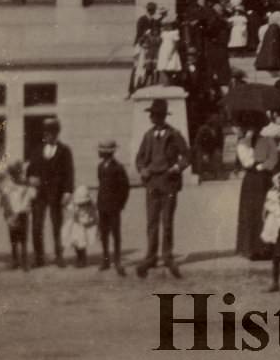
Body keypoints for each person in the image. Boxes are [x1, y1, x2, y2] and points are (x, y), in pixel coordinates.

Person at [134, 99, 190, 278]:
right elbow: (140, 158)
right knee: (151, 222)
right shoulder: (148, 135)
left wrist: (177, 167)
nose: (152, 117)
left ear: (162, 117)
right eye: (151, 115)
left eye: (155, 115)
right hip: (152, 182)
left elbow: (187, 156)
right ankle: (150, 256)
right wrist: (142, 169)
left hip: (169, 181)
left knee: (167, 222)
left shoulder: (174, 134)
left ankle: (167, 255)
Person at [26, 116, 74, 268]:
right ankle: (39, 257)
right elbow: (30, 170)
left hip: (57, 193)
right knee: (37, 225)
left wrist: (67, 192)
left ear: (57, 133)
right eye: (45, 132)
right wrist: (30, 179)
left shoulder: (64, 150)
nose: (47, 135)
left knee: (57, 225)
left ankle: (59, 256)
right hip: (39, 194)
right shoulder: (36, 150)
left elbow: (69, 172)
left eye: (51, 132)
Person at [236, 119, 280, 260]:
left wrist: (262, 166)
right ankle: (251, 248)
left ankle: (266, 248)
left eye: (256, 126)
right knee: (251, 212)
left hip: (264, 179)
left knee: (266, 210)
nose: (254, 129)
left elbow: (273, 158)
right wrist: (248, 140)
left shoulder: (268, 141)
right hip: (251, 180)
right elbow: (246, 161)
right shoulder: (243, 143)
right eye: (251, 127)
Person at [95, 139, 129, 275]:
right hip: (102, 205)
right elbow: (101, 184)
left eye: (101, 151)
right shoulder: (100, 166)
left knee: (116, 233)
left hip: (114, 206)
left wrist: (120, 204)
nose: (99, 152)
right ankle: (105, 259)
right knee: (104, 233)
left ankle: (117, 260)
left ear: (107, 153)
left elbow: (124, 188)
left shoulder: (118, 168)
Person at [0, 160, 35, 272]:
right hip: (11, 214)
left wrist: (19, 212)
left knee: (23, 238)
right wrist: (9, 212)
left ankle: (24, 262)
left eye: (18, 173)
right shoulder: (8, 186)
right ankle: (15, 260)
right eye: (14, 174)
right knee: (13, 238)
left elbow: (30, 198)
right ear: (11, 175)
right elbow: (4, 200)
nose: (16, 176)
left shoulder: (26, 186)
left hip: (22, 214)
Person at [62, 185, 98, 268]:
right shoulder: (75, 206)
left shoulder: (91, 206)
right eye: (80, 203)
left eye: (84, 203)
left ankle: (82, 259)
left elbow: (94, 214)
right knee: (76, 243)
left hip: (85, 226)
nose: (82, 205)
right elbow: (68, 208)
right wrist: (66, 204)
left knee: (82, 244)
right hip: (76, 226)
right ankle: (80, 258)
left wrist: (92, 220)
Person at [156, 18, 182, 84]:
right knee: (164, 66)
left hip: (171, 49)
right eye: (166, 25)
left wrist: (172, 52)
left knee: (171, 66)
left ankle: (171, 81)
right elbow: (160, 41)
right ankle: (166, 81)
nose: (168, 26)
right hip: (164, 50)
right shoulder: (163, 33)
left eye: (169, 25)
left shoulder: (175, 32)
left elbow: (176, 44)